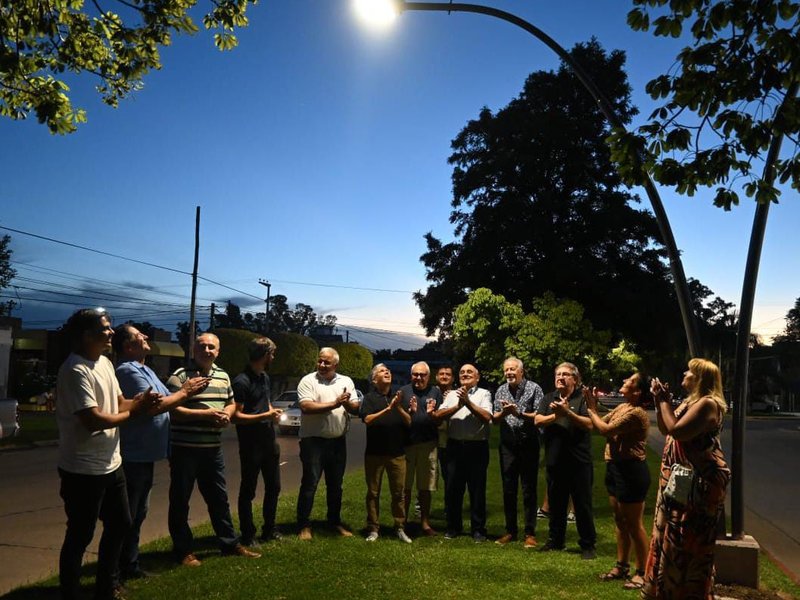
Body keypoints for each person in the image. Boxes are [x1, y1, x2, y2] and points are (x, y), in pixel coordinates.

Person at [56, 309, 160, 600]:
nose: (111, 332)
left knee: (121, 524)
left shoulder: (104, 362)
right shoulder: (75, 370)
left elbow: (118, 404)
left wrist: (138, 401)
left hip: (111, 464)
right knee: (80, 534)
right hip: (82, 469)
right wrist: (135, 412)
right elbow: (94, 421)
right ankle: (70, 591)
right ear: (86, 335)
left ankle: (107, 585)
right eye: (105, 328)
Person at [113, 324, 210, 580]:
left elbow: (169, 400)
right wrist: (185, 391)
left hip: (146, 454)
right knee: (129, 515)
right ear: (128, 346)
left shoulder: (145, 369)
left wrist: (183, 395)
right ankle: (121, 568)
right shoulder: (127, 370)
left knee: (138, 512)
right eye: (139, 336)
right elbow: (154, 406)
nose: (145, 337)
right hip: (134, 454)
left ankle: (129, 564)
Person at [166, 332, 261, 565]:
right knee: (180, 500)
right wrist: (207, 415)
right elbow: (173, 411)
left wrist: (226, 416)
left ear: (218, 351)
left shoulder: (223, 376)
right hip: (185, 449)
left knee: (219, 498)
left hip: (212, 449)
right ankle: (183, 550)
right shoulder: (179, 376)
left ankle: (229, 543)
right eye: (202, 347)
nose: (207, 351)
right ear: (194, 350)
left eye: (212, 347)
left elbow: (230, 403)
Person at [642, 359, 731, 599]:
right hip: (682, 479)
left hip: (700, 482)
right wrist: (659, 401)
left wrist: (663, 401)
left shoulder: (708, 404)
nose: (684, 372)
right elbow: (665, 427)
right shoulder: (692, 402)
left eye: (690, 371)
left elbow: (677, 431)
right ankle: (666, 590)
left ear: (700, 378)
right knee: (671, 534)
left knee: (686, 539)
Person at [585, 373, 652, 590]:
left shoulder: (636, 413)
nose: (624, 381)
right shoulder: (623, 408)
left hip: (631, 471)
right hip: (615, 467)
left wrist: (592, 409)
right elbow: (597, 424)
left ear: (638, 391)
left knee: (634, 524)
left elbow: (604, 428)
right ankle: (621, 566)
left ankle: (643, 572)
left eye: (629, 381)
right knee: (620, 521)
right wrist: (591, 409)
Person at [296, 347, 361, 540]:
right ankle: (304, 525)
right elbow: (306, 406)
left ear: (336, 365)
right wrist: (335, 403)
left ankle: (334, 522)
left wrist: (346, 402)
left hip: (337, 442)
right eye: (320, 361)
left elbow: (355, 408)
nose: (322, 365)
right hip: (313, 442)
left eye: (327, 362)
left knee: (336, 485)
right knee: (310, 484)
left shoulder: (346, 381)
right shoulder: (308, 380)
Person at [534, 362, 597, 559]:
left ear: (575, 379)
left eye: (566, 374)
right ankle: (556, 540)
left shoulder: (583, 399)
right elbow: (537, 420)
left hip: (579, 461)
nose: (560, 377)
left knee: (582, 504)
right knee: (556, 503)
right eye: (557, 374)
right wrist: (556, 415)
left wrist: (568, 413)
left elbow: (590, 424)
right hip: (555, 460)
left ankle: (587, 545)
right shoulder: (548, 398)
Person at [232, 337, 284, 546]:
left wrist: (272, 412)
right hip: (251, 444)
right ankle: (247, 533)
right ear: (264, 355)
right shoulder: (241, 381)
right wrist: (265, 416)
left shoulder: (264, 377)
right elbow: (236, 416)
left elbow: (266, 403)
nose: (273, 357)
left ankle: (269, 529)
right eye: (271, 354)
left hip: (269, 441)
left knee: (274, 487)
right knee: (249, 490)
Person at [434, 364, 493, 542]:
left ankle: (478, 530)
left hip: (477, 448)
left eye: (469, 372)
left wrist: (468, 402)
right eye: (462, 372)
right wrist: (458, 405)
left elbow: (487, 417)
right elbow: (439, 415)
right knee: (453, 488)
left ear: (477, 377)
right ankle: (453, 527)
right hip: (454, 447)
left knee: (477, 490)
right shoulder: (452, 395)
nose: (465, 374)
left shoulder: (484, 394)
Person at [492, 357, 544, 548]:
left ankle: (530, 533)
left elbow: (539, 416)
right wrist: (505, 413)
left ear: (522, 371)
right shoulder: (501, 390)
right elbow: (495, 419)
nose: (509, 373)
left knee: (529, 489)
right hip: (508, 446)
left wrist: (518, 413)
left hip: (529, 443)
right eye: (506, 370)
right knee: (508, 489)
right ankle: (510, 531)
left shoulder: (534, 388)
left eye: (513, 369)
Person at [359, 363, 413, 543]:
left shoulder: (399, 398)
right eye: (382, 371)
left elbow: (408, 421)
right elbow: (367, 419)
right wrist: (388, 410)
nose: (387, 372)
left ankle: (399, 527)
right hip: (374, 453)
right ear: (375, 380)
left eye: (388, 370)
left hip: (397, 453)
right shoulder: (369, 398)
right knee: (373, 492)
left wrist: (397, 407)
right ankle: (373, 528)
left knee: (398, 493)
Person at [398, 361, 443, 536]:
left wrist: (433, 413)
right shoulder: (403, 392)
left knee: (425, 488)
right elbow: (398, 418)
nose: (418, 378)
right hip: (407, 445)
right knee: (405, 488)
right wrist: (409, 412)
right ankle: (403, 522)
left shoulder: (435, 392)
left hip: (428, 444)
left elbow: (439, 419)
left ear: (428, 376)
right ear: (411, 375)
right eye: (415, 374)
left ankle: (425, 523)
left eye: (422, 375)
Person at [434, 365, 455, 498]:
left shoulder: (457, 394)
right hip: (431, 440)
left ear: (452, 378)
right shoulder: (430, 392)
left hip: (449, 441)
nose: (444, 376)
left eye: (448, 374)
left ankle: (450, 508)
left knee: (450, 476)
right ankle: (421, 508)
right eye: (441, 374)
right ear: (436, 377)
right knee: (428, 475)